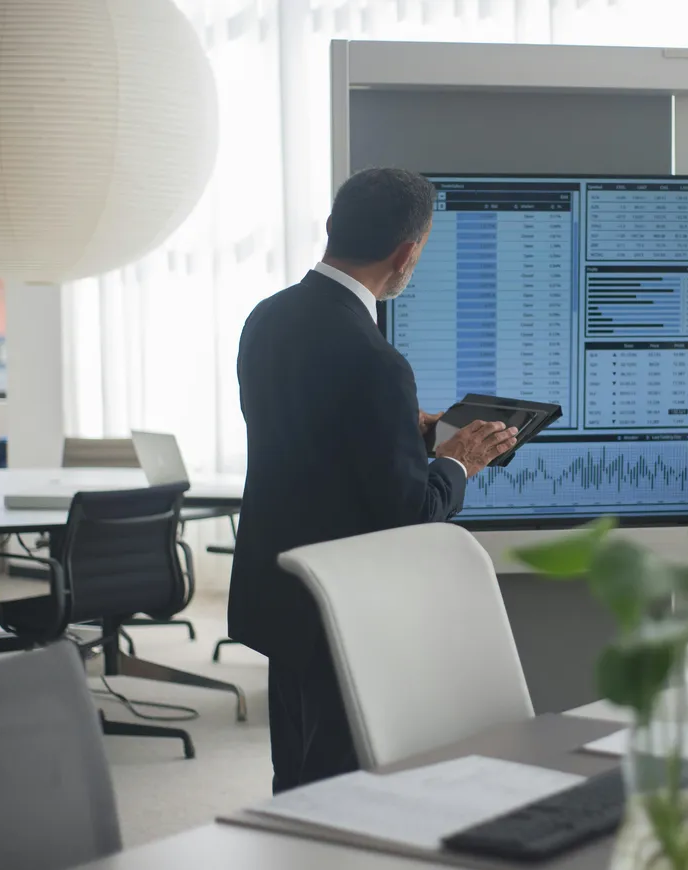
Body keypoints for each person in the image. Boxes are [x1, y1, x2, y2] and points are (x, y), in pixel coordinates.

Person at [230, 167, 517, 793]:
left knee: (296, 781)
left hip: (282, 591)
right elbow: (410, 513)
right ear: (407, 253)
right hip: (343, 607)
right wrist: (459, 460)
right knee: (342, 791)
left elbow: (305, 441)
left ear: (333, 228)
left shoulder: (267, 318)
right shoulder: (375, 359)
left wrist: (402, 432)